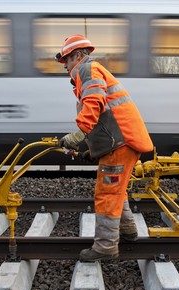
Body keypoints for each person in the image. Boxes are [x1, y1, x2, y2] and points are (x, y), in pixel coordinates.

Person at [55, 34, 154, 262]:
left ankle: (106, 246)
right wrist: (94, 149)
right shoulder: (91, 71)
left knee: (107, 192)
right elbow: (106, 114)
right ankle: (128, 231)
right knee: (117, 190)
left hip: (120, 142)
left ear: (78, 55)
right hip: (121, 141)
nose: (66, 66)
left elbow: (94, 102)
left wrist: (80, 133)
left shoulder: (86, 69)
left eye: (67, 60)